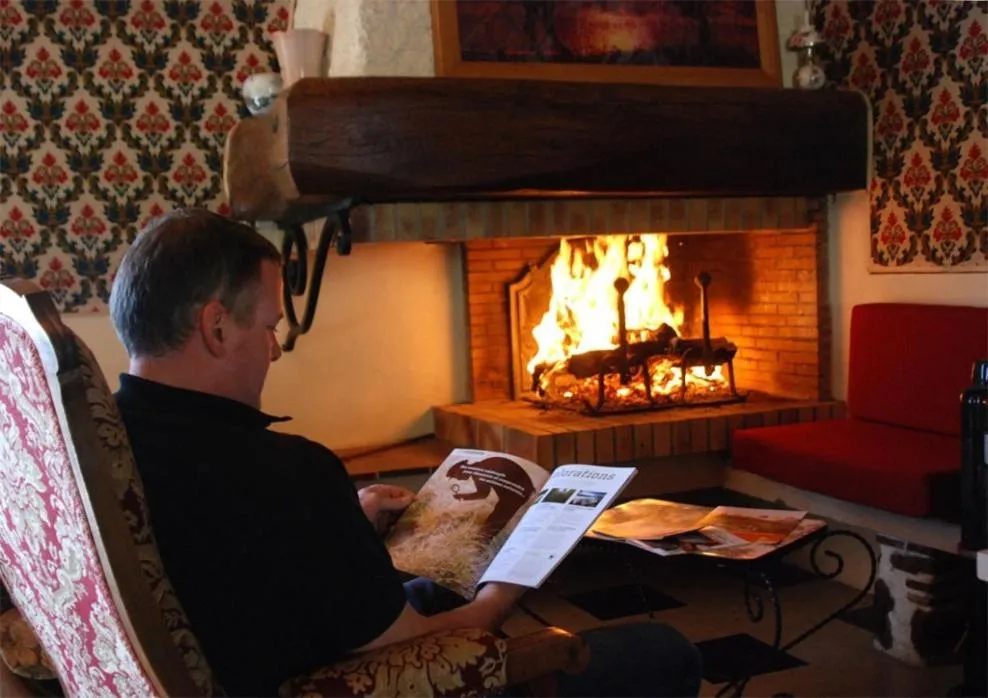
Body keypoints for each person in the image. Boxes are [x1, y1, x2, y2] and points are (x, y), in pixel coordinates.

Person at [109, 207, 701, 697]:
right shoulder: (284, 471)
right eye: (268, 328)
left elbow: (235, 548)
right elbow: (408, 647)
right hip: (322, 677)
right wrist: (508, 592)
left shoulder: (109, 442)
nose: (275, 350)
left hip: (242, 639)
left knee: (439, 576)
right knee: (663, 651)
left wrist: (342, 525)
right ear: (216, 328)